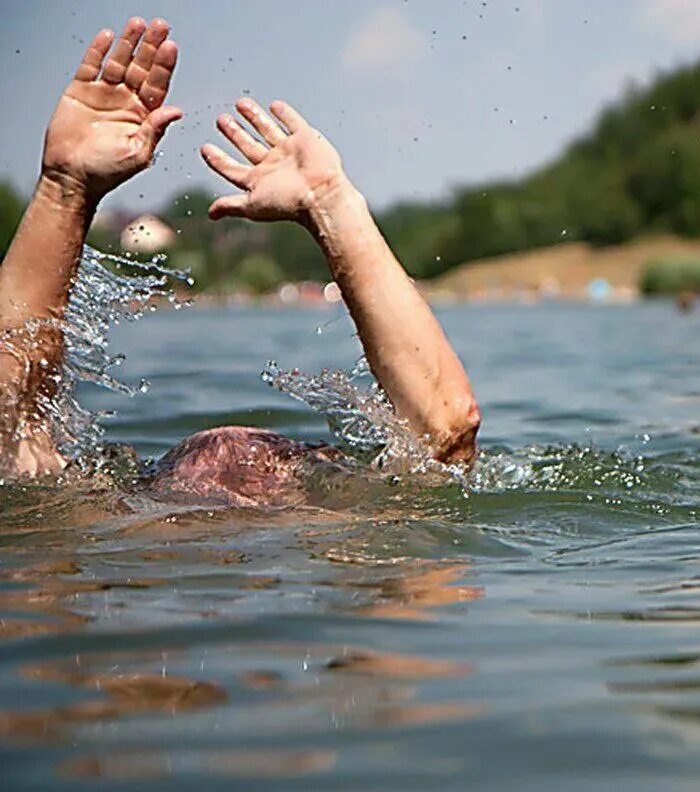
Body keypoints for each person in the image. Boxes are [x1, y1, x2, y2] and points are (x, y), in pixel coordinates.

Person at [0, 18, 480, 507]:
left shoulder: (101, 519)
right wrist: (331, 205)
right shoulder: (341, 529)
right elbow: (444, 433)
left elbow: (13, 422)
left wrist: (65, 190)